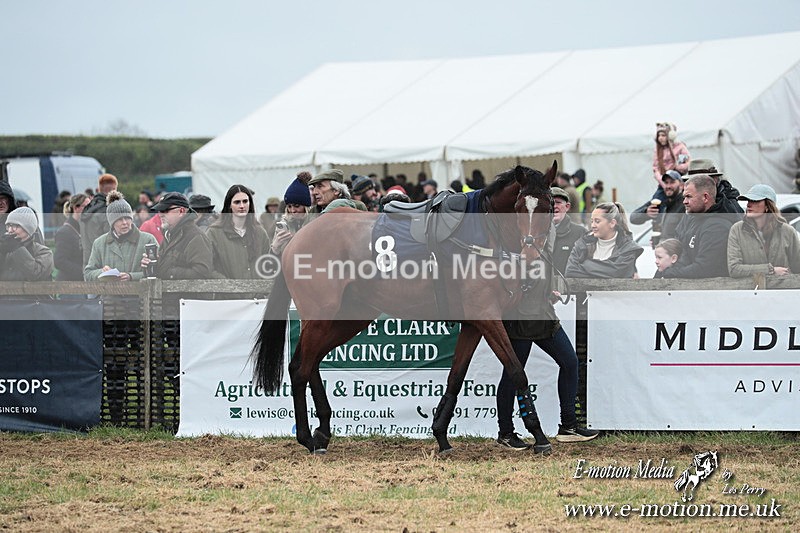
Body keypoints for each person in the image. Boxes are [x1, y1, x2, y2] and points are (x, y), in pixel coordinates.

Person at [497, 223, 598, 450]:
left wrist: (548, 292)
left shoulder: (544, 252)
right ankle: (505, 432)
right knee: (513, 375)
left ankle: (568, 426)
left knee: (570, 362)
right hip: (521, 322)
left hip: (544, 318)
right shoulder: (515, 253)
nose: (543, 237)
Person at [659, 174, 736, 278]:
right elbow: (679, 251)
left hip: (711, 290)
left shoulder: (718, 227)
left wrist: (670, 273)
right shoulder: (690, 219)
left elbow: (704, 269)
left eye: (689, 197)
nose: (684, 202)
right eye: (684, 197)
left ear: (705, 197)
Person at [727, 184, 800, 278]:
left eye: (754, 200)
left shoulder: (787, 231)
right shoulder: (737, 230)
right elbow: (734, 269)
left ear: (768, 206)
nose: (749, 204)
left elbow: (797, 266)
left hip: (782, 290)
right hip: (750, 291)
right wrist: (770, 270)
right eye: (748, 200)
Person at [84, 192, 157, 281]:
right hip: (109, 294)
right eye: (119, 219)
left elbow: (158, 271)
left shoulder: (148, 240)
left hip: (139, 294)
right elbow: (87, 274)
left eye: (127, 218)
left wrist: (131, 276)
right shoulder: (99, 243)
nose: (124, 223)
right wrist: (101, 273)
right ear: (112, 222)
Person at [141, 192, 213, 280]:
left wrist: (166, 272)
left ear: (181, 211)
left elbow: (202, 273)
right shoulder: (169, 235)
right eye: (159, 210)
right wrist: (150, 265)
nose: (160, 214)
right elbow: (164, 268)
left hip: (186, 293)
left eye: (165, 210)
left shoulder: (196, 237)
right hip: (169, 292)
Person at [206, 185, 271, 279]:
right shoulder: (214, 233)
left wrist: (276, 249)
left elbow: (267, 264)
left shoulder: (260, 232)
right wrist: (227, 285)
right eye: (237, 202)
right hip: (227, 292)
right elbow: (208, 267)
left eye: (245, 201)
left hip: (258, 292)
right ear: (229, 205)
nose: (242, 206)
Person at [565, 202, 642, 278]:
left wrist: (586, 264)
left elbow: (616, 272)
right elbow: (570, 271)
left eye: (597, 221)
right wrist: (603, 273)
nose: (592, 225)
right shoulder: (582, 244)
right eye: (592, 221)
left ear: (612, 223)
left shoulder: (628, 248)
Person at [630, 169, 686, 243]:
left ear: (681, 185)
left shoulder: (685, 205)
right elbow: (633, 218)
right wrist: (646, 213)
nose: (668, 186)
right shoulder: (660, 202)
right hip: (659, 250)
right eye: (666, 183)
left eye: (672, 182)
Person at [0, 207, 54, 281]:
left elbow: (36, 274)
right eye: (9, 225)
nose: (10, 230)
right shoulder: (7, 250)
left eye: (15, 226)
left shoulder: (44, 252)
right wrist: (2, 253)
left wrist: (17, 249)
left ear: (28, 228)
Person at [81, 173, 119, 264]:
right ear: (114, 190)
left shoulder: (88, 209)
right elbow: (111, 241)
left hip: (88, 263)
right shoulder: (107, 212)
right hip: (105, 264)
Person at [54, 193, 90, 281]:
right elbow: (59, 261)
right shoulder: (64, 232)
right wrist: (82, 272)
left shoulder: (85, 229)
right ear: (76, 208)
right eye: (86, 207)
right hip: (69, 285)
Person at [551, 186, 586, 274]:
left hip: (569, 286)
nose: (554, 206)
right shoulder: (535, 234)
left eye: (558, 203)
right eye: (550, 202)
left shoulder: (580, 233)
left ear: (567, 207)